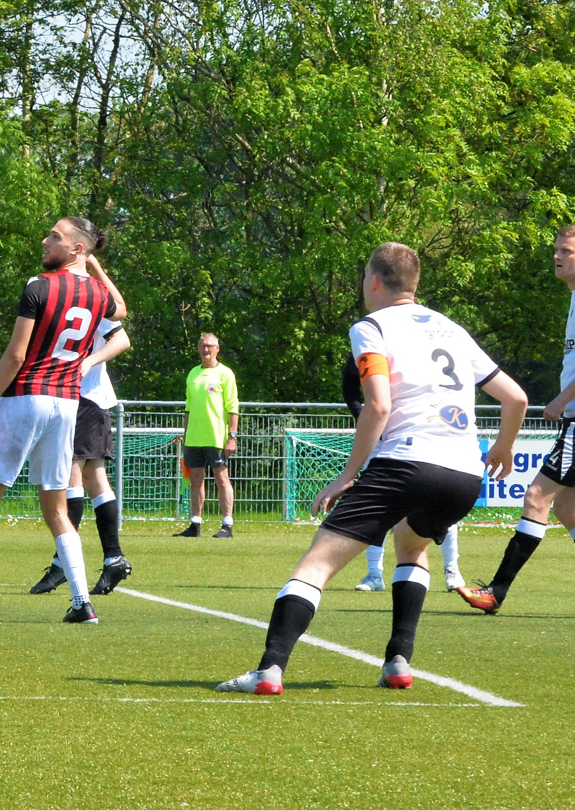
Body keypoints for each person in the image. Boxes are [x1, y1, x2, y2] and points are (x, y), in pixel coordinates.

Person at [218, 243, 526, 696]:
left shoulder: (372, 327)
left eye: (365, 275)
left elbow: (378, 406)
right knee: (412, 546)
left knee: (315, 565)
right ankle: (398, 661)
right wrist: (504, 446)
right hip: (463, 473)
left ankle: (269, 670)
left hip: (406, 460)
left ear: (375, 281)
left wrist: (348, 475)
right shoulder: (452, 330)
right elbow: (516, 398)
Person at [0, 216, 123, 626]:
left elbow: (16, 356)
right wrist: (96, 268)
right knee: (57, 509)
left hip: (26, 398)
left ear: (77, 248)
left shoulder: (38, 286)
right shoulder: (96, 295)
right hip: (67, 404)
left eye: (56, 237)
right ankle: (81, 603)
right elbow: (119, 310)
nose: (45, 240)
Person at [458, 224, 575, 617]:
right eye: (555, 249)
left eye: (566, 251)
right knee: (569, 506)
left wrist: (561, 400)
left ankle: (496, 592)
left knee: (537, 496)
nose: (557, 256)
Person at [31, 253, 133, 596]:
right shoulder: (61, 294)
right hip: (77, 399)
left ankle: (65, 564)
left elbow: (121, 336)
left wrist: (88, 361)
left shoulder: (86, 297)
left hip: (85, 399)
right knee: (92, 477)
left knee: (72, 474)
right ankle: (112, 559)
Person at [340, 354, 466, 594]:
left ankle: (452, 569)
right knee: (377, 505)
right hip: (383, 438)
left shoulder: (421, 349)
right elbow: (350, 383)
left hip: (423, 435)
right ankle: (374, 574)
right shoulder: (371, 343)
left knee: (441, 504)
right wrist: (364, 417)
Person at [175, 333, 239, 538]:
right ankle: (195, 524)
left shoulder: (225, 374)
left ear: (217, 349)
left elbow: (233, 407)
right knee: (195, 478)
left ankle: (227, 525)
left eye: (210, 346)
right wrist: (185, 437)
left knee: (221, 477)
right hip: (195, 437)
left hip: (216, 437)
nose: (206, 349)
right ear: (198, 348)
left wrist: (232, 436)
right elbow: (188, 408)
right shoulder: (193, 374)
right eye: (203, 345)